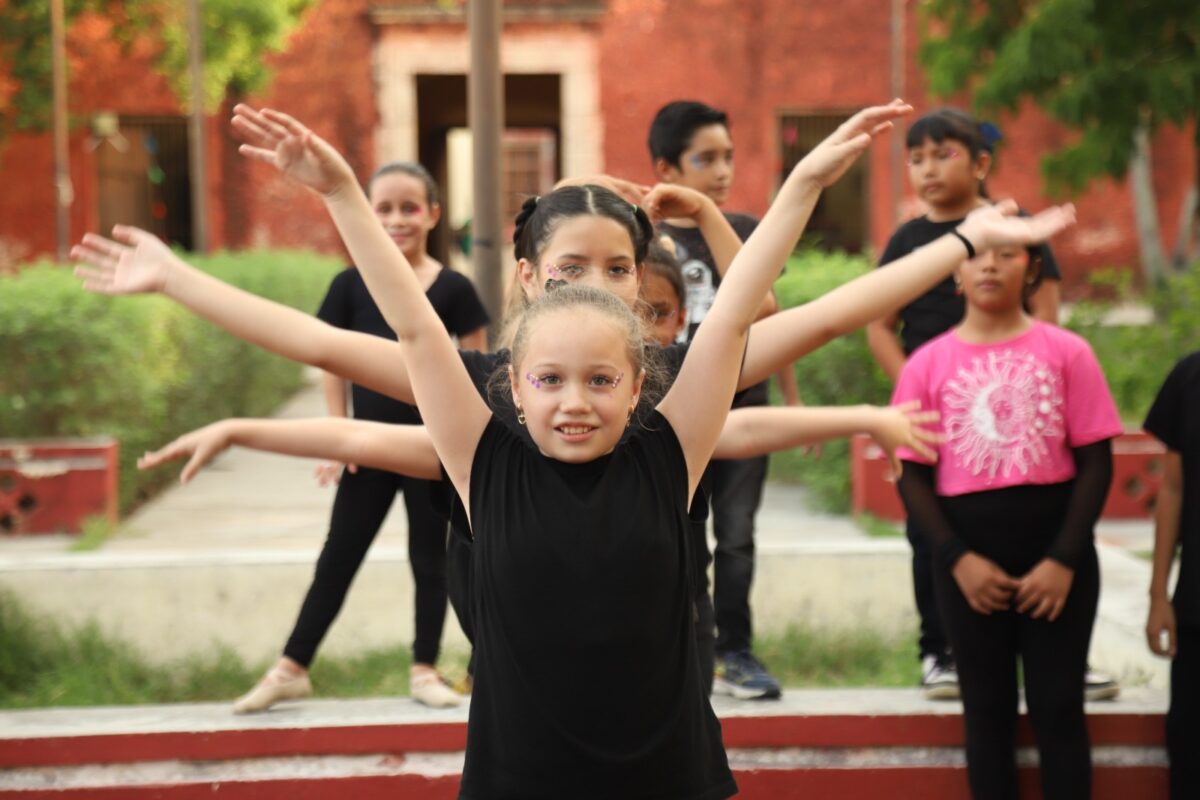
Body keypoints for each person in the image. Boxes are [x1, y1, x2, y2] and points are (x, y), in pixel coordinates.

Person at [233, 161, 489, 713]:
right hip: (366, 450)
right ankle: (291, 667)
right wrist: (338, 433)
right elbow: (330, 359)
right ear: (368, 215)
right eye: (384, 209)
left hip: (430, 452)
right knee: (339, 555)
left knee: (431, 560)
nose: (397, 219)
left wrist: (465, 445)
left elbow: (478, 370)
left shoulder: (454, 288)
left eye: (409, 208)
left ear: (433, 214)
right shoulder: (350, 284)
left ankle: (424, 669)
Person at [865, 107, 1080, 700]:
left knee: (1031, 519)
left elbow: (1048, 320)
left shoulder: (1017, 229)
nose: (928, 169)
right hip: (935, 418)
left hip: (1012, 407)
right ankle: (939, 650)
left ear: (982, 163)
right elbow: (880, 327)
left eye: (944, 155)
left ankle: (1055, 650)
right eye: (916, 159)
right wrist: (922, 392)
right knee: (930, 529)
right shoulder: (908, 240)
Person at [893, 232, 1118, 799]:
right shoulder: (925, 363)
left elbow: (1096, 463)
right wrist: (956, 559)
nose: (989, 266)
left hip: (1058, 563)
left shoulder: (1069, 352)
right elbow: (912, 475)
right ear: (956, 273)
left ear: (1032, 268)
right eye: (975, 255)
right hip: (967, 567)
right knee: (986, 712)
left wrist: (1063, 560)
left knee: (1059, 707)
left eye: (1007, 254)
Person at [649, 99, 799, 699]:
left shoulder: (742, 231)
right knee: (683, 537)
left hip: (745, 406)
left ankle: (736, 652)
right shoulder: (644, 237)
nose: (722, 170)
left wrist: (791, 403)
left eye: (728, 157)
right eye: (704, 159)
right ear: (666, 168)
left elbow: (770, 316)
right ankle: (690, 648)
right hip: (676, 415)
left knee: (736, 535)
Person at [1144, 351, 1200, 799]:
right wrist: (1158, 595)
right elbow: (1174, 488)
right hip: (1197, 607)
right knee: (1188, 743)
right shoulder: (1190, 376)